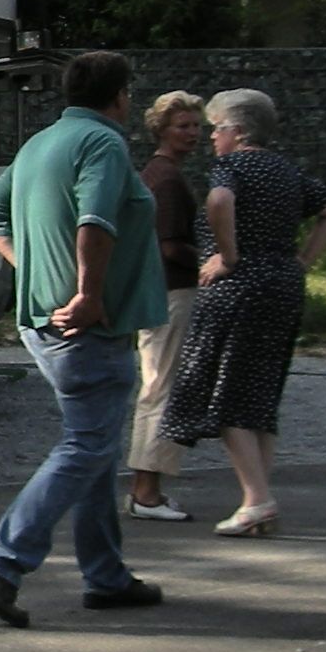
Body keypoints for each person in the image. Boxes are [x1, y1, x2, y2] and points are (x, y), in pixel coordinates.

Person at [0, 50, 167, 630]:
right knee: (87, 446)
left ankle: (105, 576)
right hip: (88, 325)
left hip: (42, 323)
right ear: (121, 95)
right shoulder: (102, 144)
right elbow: (95, 221)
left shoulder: (40, 144)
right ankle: (4, 557)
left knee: (94, 446)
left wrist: (35, 270)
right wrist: (87, 292)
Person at [157, 88, 326, 538]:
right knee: (260, 394)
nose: (211, 139)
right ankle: (259, 494)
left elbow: (219, 202)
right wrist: (301, 260)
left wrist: (227, 256)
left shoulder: (232, 166)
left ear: (237, 132)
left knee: (229, 394)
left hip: (238, 289)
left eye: (216, 129)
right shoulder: (285, 170)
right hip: (282, 284)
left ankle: (256, 499)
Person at [125, 90, 208, 524]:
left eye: (196, 126)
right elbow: (171, 245)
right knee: (161, 389)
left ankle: (147, 487)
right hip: (173, 293)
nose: (192, 134)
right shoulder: (168, 180)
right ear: (162, 129)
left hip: (161, 293)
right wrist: (219, 262)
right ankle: (146, 491)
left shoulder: (158, 173)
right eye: (183, 126)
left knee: (157, 386)